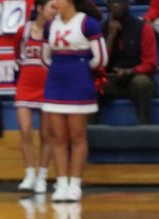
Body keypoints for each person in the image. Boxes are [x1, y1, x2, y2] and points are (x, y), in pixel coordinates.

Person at [42, 0, 107, 202]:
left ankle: (75, 184)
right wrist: (60, 70)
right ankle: (61, 183)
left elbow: (101, 58)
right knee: (58, 137)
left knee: (77, 137)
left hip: (79, 84)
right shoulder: (50, 25)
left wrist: (79, 68)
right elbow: (45, 58)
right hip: (55, 83)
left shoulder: (88, 23)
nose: (53, 2)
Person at [14, 0, 57, 194]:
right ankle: (29, 173)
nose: (55, 11)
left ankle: (42, 175)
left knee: (46, 134)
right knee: (25, 131)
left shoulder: (55, 32)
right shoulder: (23, 31)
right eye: (52, 7)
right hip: (25, 85)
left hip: (47, 87)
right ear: (40, 9)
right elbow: (17, 55)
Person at [103, 0, 158, 125]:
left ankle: (145, 127)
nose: (115, 5)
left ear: (128, 3)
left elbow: (151, 64)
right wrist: (110, 37)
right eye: (112, 2)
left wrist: (131, 71)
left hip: (137, 76)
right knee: (92, 84)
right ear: (107, 5)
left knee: (141, 83)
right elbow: (100, 63)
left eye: (119, 2)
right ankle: (90, 134)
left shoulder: (143, 27)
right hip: (112, 78)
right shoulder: (102, 28)